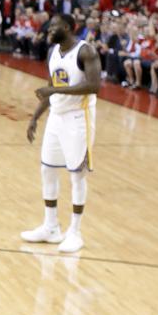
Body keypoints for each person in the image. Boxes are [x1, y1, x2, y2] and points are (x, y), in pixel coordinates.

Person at [21, 13, 101, 253]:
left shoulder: (86, 51)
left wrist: (54, 89)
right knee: (48, 169)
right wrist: (35, 118)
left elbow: (94, 85)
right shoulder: (53, 52)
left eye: (53, 26)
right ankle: (51, 226)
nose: (48, 29)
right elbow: (51, 88)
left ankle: (75, 232)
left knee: (77, 174)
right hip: (56, 116)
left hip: (78, 117)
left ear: (66, 27)